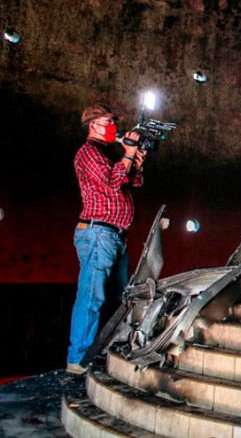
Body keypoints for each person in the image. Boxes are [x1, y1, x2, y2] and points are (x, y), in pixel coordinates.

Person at [66, 105, 146, 375]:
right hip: (98, 232)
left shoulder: (105, 154)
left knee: (118, 297)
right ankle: (78, 359)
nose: (113, 127)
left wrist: (135, 163)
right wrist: (128, 154)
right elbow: (111, 182)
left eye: (113, 122)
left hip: (114, 235)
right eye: (108, 122)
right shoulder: (88, 152)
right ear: (93, 126)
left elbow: (130, 182)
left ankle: (102, 352)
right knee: (92, 296)